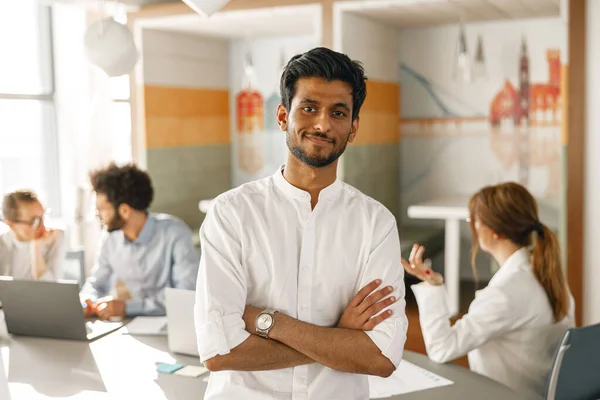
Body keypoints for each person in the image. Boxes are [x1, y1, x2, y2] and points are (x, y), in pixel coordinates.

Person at [195, 47, 408, 400]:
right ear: (282, 115)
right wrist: (339, 337)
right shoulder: (231, 213)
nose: (323, 124)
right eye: (309, 108)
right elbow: (219, 352)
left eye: (338, 112)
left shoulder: (375, 223)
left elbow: (382, 356)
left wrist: (268, 322)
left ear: (353, 127)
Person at [403, 182, 574, 399]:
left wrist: (432, 286)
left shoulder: (505, 294)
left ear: (495, 233)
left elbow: (441, 349)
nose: (472, 226)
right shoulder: (549, 277)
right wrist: (435, 283)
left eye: (473, 220)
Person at [80, 163, 199, 320]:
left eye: (101, 209)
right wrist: (86, 302)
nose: (98, 215)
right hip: (135, 326)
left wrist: (127, 307)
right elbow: (97, 284)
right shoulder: (109, 238)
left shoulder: (174, 233)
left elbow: (185, 297)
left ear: (124, 211)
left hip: (176, 324)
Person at [0, 190, 65, 280]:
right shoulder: (2, 244)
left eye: (42, 216)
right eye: (34, 221)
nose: (42, 226)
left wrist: (37, 249)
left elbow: (52, 289)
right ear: (11, 225)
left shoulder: (55, 237)